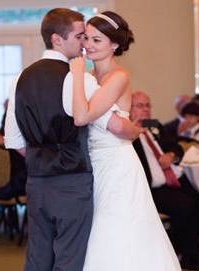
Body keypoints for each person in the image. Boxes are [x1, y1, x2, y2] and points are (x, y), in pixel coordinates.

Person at [5, 8, 138, 271]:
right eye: (80, 36)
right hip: (72, 180)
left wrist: (43, 157)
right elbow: (114, 126)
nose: (85, 43)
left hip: (37, 181)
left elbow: (14, 141)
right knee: (70, 256)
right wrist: (135, 130)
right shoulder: (81, 80)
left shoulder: (19, 78)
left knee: (38, 255)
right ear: (57, 39)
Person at [69, 11, 181, 270]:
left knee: (116, 226)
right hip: (94, 162)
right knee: (96, 224)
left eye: (98, 40)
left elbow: (82, 116)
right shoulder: (91, 77)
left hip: (117, 164)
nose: (88, 45)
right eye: (86, 38)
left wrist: (76, 74)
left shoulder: (118, 77)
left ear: (115, 45)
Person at [131, 91, 199, 270]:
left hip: (172, 178)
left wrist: (171, 154)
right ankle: (188, 257)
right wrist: (133, 130)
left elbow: (174, 144)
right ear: (129, 107)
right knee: (186, 206)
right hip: (152, 187)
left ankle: (184, 248)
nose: (145, 110)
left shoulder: (153, 125)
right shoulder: (126, 131)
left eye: (148, 105)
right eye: (139, 106)